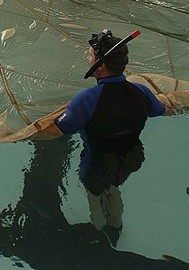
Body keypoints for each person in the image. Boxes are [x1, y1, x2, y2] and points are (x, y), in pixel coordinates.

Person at [35, 30, 170, 244]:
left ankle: (99, 230)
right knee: (114, 186)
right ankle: (116, 225)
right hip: (131, 158)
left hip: (97, 164)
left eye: (89, 55)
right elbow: (161, 110)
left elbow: (55, 131)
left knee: (95, 195)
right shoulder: (141, 92)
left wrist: (22, 136)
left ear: (101, 65)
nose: (87, 58)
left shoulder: (87, 100)